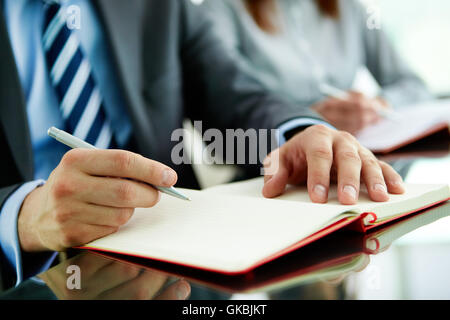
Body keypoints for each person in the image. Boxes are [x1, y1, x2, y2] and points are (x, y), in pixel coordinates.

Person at [0, 0, 404, 290]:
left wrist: (298, 132)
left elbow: (233, 90)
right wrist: (24, 218)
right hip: (34, 275)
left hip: (179, 270)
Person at [205, 0, 432, 134]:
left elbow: (413, 86)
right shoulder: (221, 9)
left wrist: (376, 107)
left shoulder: (349, 7)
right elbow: (221, 117)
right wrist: (308, 119)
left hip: (363, 150)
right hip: (275, 164)